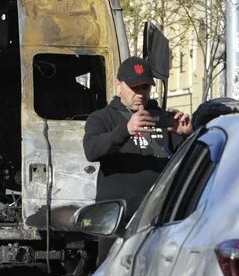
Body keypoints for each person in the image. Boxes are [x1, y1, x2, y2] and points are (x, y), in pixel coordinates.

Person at [82, 57, 192, 260]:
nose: (140, 93)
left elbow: (184, 163)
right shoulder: (102, 118)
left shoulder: (161, 118)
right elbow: (92, 150)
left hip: (156, 217)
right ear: (118, 84)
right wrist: (125, 130)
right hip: (117, 220)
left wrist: (187, 135)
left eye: (145, 87)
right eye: (134, 87)